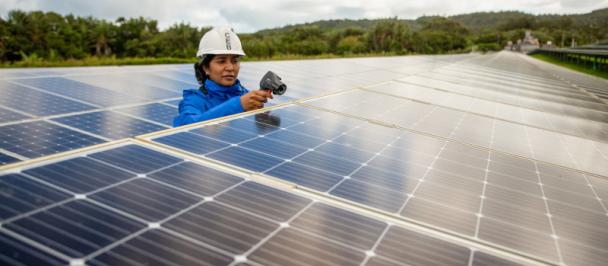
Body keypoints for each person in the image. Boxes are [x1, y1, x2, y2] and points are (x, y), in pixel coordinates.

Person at [173, 26, 273, 127]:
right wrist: (238, 105)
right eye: (221, 61)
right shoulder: (194, 101)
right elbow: (186, 127)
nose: (230, 67)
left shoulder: (246, 95)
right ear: (205, 68)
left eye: (235, 61)